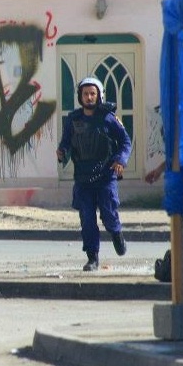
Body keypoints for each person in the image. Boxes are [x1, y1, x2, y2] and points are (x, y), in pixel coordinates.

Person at [56, 76, 132, 271]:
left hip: (106, 176)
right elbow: (66, 142)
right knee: (87, 219)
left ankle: (116, 233)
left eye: (92, 94)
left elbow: (125, 142)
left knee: (108, 214)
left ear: (99, 96)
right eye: (85, 94)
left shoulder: (108, 118)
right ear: (80, 96)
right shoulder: (73, 119)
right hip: (83, 178)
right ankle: (92, 258)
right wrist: (62, 151)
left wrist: (120, 160)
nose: (89, 97)